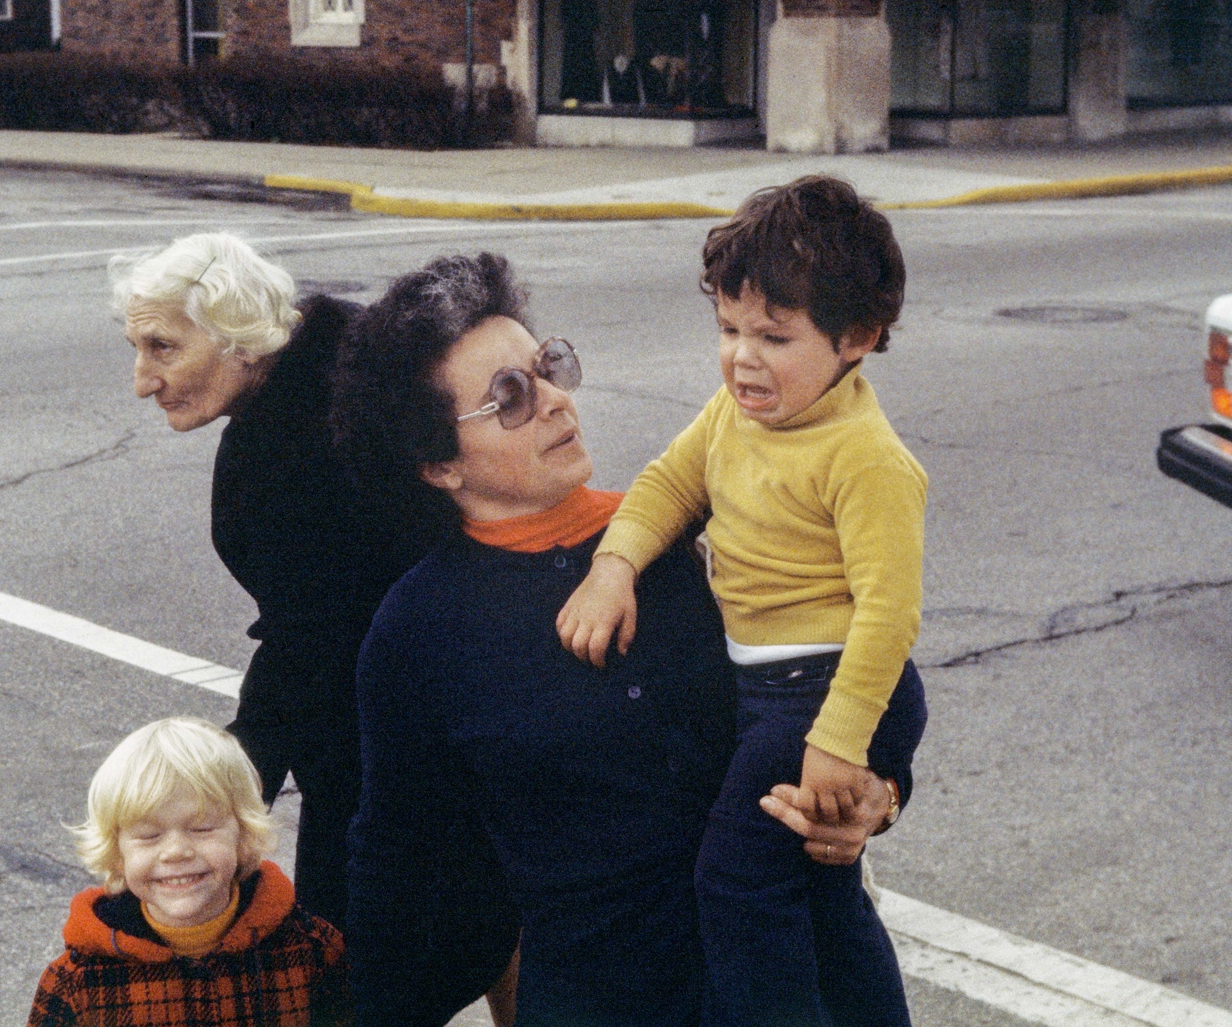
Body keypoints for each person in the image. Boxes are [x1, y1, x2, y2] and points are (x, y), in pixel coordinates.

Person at [331, 252, 926, 1027]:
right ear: (439, 462)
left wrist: (880, 795)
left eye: (549, 367)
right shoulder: (419, 628)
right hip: (604, 996)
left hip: (802, 967)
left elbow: (846, 669)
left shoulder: (684, 534)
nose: (555, 400)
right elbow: (399, 856)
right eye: (509, 397)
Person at [556, 175, 925, 1026]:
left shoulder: (865, 456)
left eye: (774, 335)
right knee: (823, 896)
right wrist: (614, 566)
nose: (742, 357)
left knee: (735, 879)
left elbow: (889, 614)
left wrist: (838, 740)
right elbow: (667, 484)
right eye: (728, 328)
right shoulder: (733, 414)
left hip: (826, 691)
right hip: (773, 692)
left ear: (857, 338)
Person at [111, 233, 417, 933]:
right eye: (138, 349)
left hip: (403, 748)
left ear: (241, 340)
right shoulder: (346, 353)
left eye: (163, 348)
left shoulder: (301, 451)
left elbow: (308, 645)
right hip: (409, 718)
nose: (143, 380)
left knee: (352, 953)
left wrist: (218, 798)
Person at [28, 717, 350, 1027]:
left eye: (202, 828)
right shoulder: (78, 983)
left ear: (243, 834)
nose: (176, 851)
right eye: (149, 835)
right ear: (116, 854)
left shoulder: (311, 951)